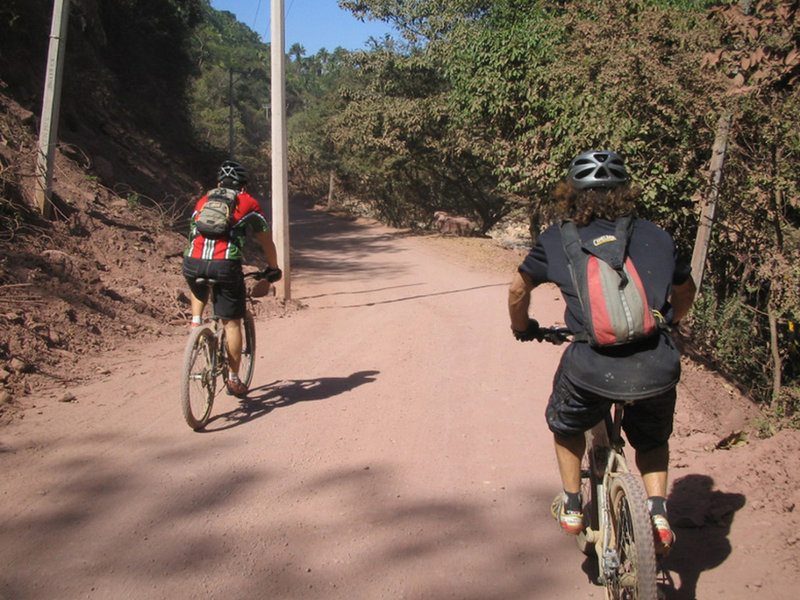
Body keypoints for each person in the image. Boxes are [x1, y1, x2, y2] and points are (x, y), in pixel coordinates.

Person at [507, 150, 696, 553]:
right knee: (651, 440)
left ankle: (573, 506)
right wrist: (673, 322)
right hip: (656, 365)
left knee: (566, 425)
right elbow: (685, 291)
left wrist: (523, 328)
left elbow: (518, 290)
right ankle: (659, 514)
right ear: (625, 193)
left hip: (591, 367)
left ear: (570, 195)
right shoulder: (658, 235)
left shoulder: (556, 239)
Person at [183, 160, 281, 398]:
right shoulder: (249, 203)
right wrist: (272, 268)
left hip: (192, 262)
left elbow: (192, 233)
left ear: (219, 184)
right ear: (244, 186)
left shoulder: (203, 201)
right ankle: (234, 379)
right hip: (225, 265)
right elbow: (265, 240)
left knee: (199, 286)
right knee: (232, 322)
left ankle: (196, 324)